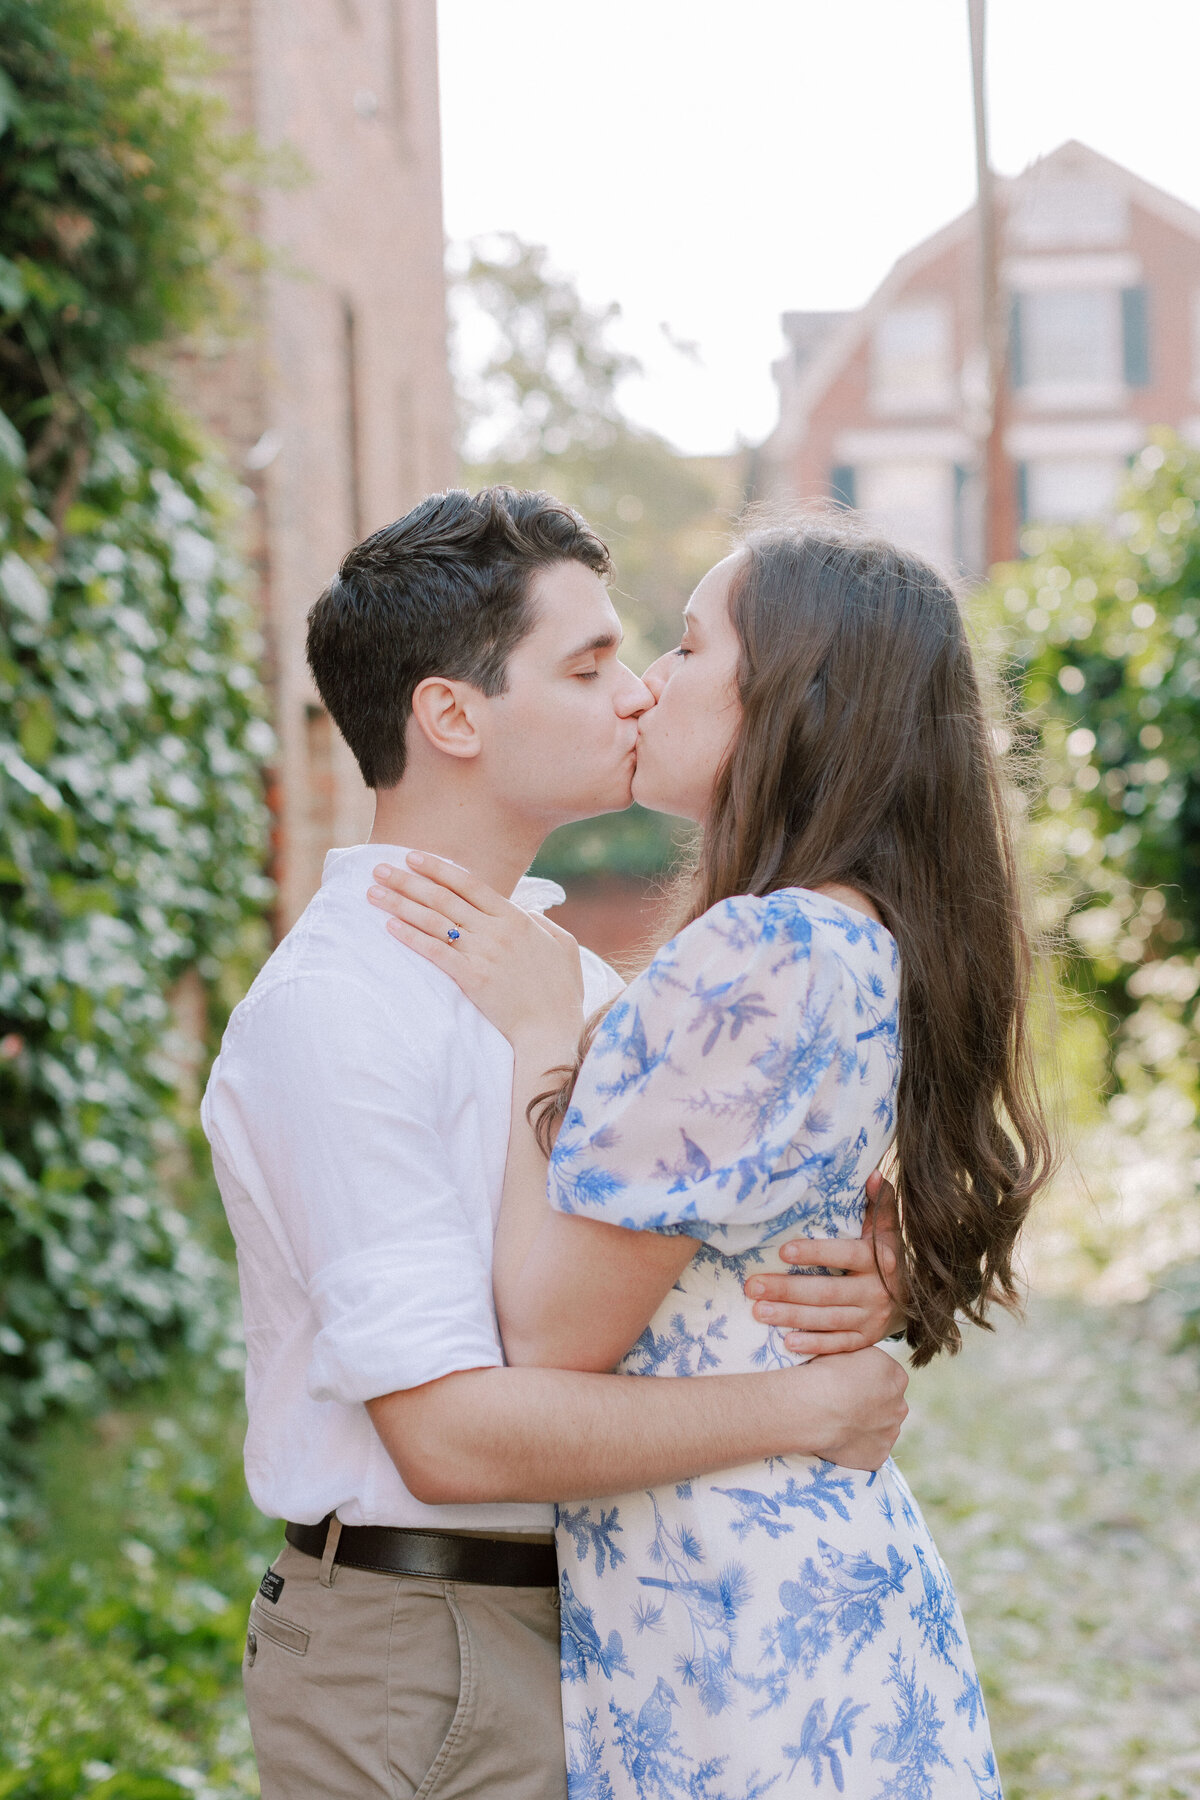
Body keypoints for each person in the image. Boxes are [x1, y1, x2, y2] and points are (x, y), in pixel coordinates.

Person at [201, 489, 910, 1800]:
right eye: (588, 666)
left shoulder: (570, 989)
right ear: (452, 715)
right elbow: (450, 1441)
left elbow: (669, 1254)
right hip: (424, 1648)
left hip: (606, 1616)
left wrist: (868, 1264)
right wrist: (802, 1407)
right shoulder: (337, 1013)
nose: (638, 694)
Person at [367, 515, 1055, 1800]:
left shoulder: (760, 953)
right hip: (792, 1589)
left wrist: (538, 1034)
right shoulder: (850, 934)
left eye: (686, 648)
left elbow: (556, 1334)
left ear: (791, 701)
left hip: (742, 1625)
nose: (647, 685)